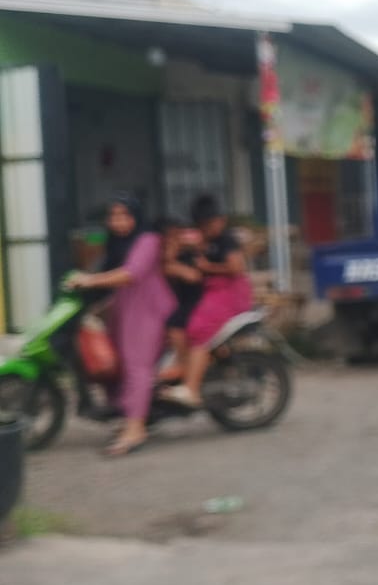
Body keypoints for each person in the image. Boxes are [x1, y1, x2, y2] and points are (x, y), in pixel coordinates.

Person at [66, 193, 175, 456]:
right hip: (125, 309)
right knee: (118, 364)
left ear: (136, 216)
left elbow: (131, 274)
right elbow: (108, 271)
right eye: (113, 216)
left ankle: (136, 429)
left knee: (137, 367)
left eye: (124, 215)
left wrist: (89, 281)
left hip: (149, 310)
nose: (118, 221)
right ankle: (130, 416)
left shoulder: (148, 239)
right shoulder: (117, 242)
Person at [163, 195, 253, 409]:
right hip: (214, 293)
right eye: (203, 225)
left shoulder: (226, 241)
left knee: (199, 328)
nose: (208, 228)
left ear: (220, 220)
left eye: (211, 223)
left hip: (229, 294)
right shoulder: (206, 241)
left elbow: (236, 268)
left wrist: (207, 267)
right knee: (189, 327)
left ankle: (191, 389)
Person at [158, 217, 204, 384]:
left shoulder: (187, 256)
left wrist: (173, 263)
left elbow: (193, 276)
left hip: (195, 303)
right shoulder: (163, 260)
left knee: (175, 325)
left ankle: (182, 365)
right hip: (178, 302)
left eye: (176, 237)